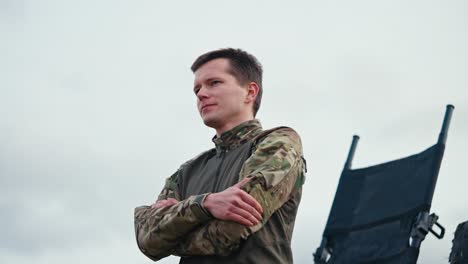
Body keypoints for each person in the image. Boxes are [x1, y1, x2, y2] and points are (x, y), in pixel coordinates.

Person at [134, 48, 306, 263]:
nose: (201, 94)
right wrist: (205, 204)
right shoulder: (187, 171)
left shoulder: (279, 142)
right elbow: (148, 239)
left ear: (250, 92)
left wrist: (173, 233)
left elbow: (230, 232)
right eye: (197, 89)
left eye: (214, 83)